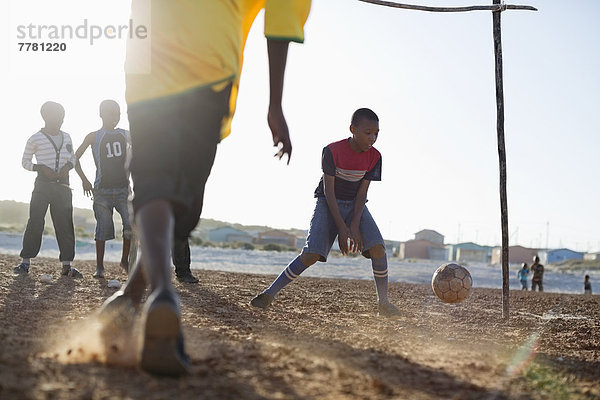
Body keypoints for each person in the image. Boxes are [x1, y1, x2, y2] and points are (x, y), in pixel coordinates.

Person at [99, 0, 311, 376]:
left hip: (149, 57)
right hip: (210, 65)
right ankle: (159, 294)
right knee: (179, 201)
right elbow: (282, 17)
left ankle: (136, 295)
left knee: (153, 183)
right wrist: (275, 103)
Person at [250, 108, 401, 318]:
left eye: (376, 133)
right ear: (352, 129)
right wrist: (341, 228)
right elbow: (329, 191)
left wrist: (354, 226)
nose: (372, 138)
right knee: (311, 254)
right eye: (367, 132)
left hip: (355, 204)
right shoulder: (331, 150)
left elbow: (362, 194)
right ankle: (269, 294)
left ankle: (383, 303)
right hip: (327, 203)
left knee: (378, 248)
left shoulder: (375, 157)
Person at [14, 101, 83, 278]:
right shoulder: (35, 138)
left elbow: (73, 158)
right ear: (45, 116)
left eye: (62, 117)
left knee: (65, 225)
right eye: (57, 117)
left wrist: (68, 166)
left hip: (63, 187)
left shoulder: (67, 136)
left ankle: (67, 266)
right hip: (42, 186)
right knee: (35, 222)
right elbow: (25, 162)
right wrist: (41, 168)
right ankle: (25, 263)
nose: (61, 120)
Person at [74, 100, 132, 278]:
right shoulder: (94, 136)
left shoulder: (126, 134)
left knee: (130, 226)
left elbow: (145, 147)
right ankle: (99, 266)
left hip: (123, 190)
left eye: (117, 113)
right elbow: (75, 158)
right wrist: (84, 180)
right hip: (101, 191)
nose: (114, 117)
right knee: (103, 227)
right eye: (110, 113)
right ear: (101, 114)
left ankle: (125, 261)